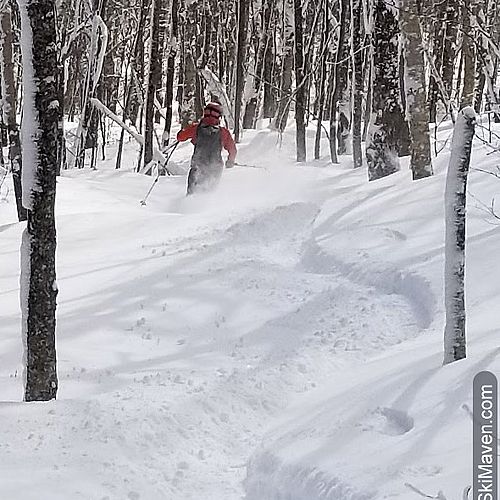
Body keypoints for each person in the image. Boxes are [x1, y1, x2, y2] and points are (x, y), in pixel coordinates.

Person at [177, 102, 237, 195]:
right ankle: (207, 207)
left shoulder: (196, 128)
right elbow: (232, 149)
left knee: (192, 194)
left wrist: (186, 129)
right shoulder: (223, 132)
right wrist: (230, 161)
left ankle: (188, 206)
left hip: (197, 166)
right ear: (218, 116)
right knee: (209, 194)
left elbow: (180, 137)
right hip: (215, 168)